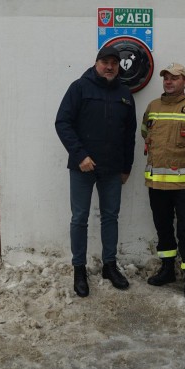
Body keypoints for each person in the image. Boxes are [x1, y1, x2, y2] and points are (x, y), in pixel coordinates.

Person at [55, 45, 137, 298]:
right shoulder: (79, 87)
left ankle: (109, 266)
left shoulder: (125, 93)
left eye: (114, 62)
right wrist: (80, 156)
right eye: (105, 62)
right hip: (83, 167)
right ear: (96, 62)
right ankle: (79, 268)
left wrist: (126, 167)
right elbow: (62, 122)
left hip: (112, 169)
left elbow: (129, 134)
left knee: (110, 216)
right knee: (79, 218)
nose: (110, 66)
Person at [141, 62, 185, 301]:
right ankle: (167, 269)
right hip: (157, 184)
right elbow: (145, 134)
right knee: (163, 227)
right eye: (166, 78)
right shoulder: (153, 107)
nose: (169, 81)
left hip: (184, 185)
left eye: (174, 78)